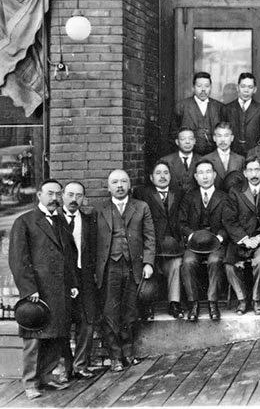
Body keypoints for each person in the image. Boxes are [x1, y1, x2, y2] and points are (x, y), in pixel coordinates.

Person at [9, 179, 78, 399]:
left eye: (58, 194)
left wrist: (73, 283)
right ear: (39, 195)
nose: (54, 199)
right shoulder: (25, 222)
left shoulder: (60, 222)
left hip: (59, 289)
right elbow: (18, 260)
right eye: (50, 194)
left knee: (56, 335)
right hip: (37, 291)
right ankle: (30, 383)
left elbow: (69, 256)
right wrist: (29, 290)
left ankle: (47, 377)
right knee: (34, 339)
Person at [93, 169, 155, 372]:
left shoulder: (141, 207)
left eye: (123, 181)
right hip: (109, 267)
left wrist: (148, 263)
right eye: (115, 182)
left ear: (129, 185)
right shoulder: (99, 210)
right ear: (108, 186)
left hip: (132, 265)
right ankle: (115, 356)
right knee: (110, 311)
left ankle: (128, 352)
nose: (119, 186)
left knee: (130, 310)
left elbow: (149, 237)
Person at [133, 160, 185, 319]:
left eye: (166, 173)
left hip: (173, 244)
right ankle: (148, 306)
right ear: (151, 177)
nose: (162, 177)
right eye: (158, 173)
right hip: (152, 244)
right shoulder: (142, 193)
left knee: (176, 264)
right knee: (150, 269)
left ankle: (174, 303)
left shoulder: (179, 193)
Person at [179, 160, 229, 322]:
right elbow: (181, 223)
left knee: (215, 261)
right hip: (194, 244)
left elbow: (229, 222)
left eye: (208, 172)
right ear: (196, 176)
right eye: (201, 173)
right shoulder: (189, 197)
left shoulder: (224, 197)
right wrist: (192, 236)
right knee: (188, 262)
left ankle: (212, 303)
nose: (205, 176)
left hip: (216, 243)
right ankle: (194, 304)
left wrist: (220, 237)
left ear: (214, 175)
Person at [223, 157, 260, 315]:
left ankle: (257, 299)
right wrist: (244, 239)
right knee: (230, 265)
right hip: (240, 240)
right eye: (250, 170)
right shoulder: (235, 192)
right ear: (244, 173)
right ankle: (242, 299)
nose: (254, 174)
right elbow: (229, 219)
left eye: (257, 170)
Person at [59, 181, 97, 379]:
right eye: (71, 195)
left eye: (79, 196)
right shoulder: (54, 220)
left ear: (84, 198)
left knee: (87, 321)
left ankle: (80, 364)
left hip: (85, 276)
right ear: (63, 195)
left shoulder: (89, 220)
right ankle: (66, 367)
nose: (74, 199)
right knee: (62, 323)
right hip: (62, 278)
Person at [171, 72, 225, 156]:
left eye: (207, 86)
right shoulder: (182, 106)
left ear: (211, 88)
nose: (203, 89)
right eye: (199, 86)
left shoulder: (219, 107)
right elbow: (173, 134)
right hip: (190, 155)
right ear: (193, 88)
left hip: (214, 156)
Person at [224, 72, 260, 155]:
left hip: (255, 156)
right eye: (243, 86)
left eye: (250, 87)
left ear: (255, 90)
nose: (246, 90)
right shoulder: (227, 109)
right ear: (237, 87)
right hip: (232, 155)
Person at [201, 123, 245, 190]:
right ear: (214, 138)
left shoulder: (240, 159)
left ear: (232, 138)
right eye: (219, 136)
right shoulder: (206, 159)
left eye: (226, 136)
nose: (222, 140)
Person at [159, 128, 201, 195]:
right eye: (183, 139)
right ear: (177, 142)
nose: (187, 142)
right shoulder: (166, 161)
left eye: (190, 139)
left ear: (194, 141)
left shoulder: (202, 160)